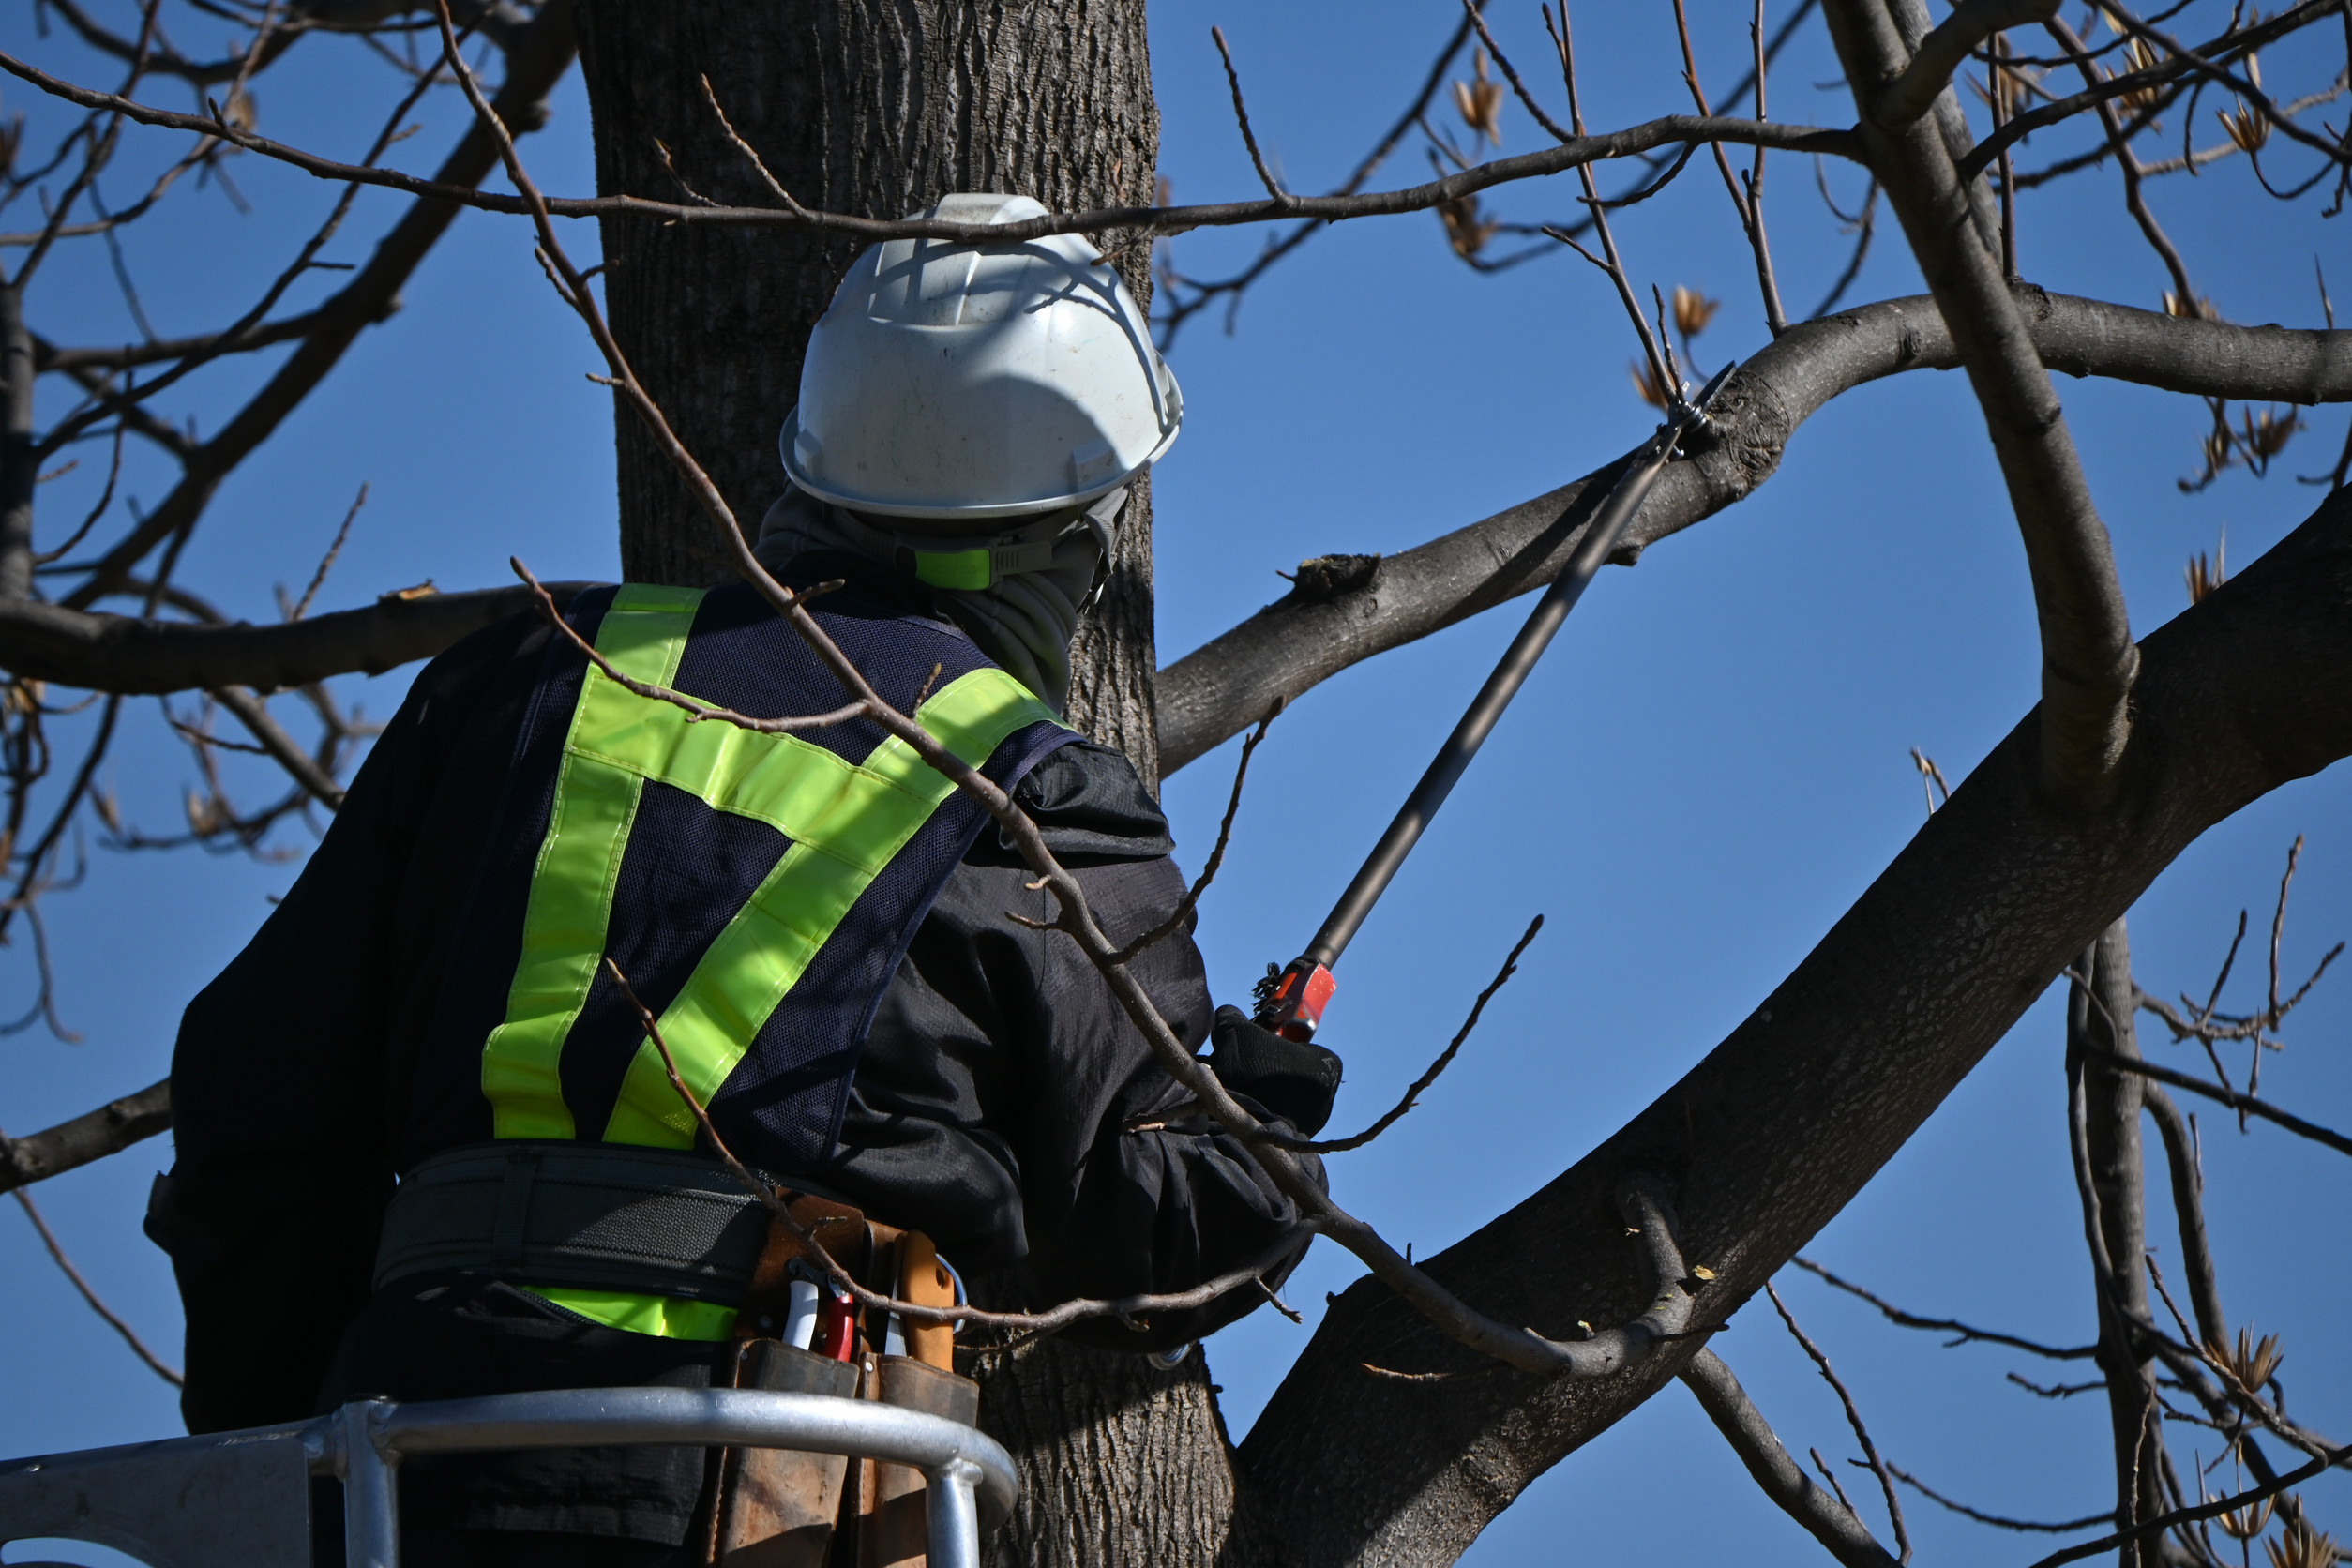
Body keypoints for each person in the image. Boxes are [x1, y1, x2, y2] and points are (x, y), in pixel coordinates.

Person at [145, 193, 1341, 1567]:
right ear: (1064, 540)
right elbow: (1150, 1228)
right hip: (772, 1483)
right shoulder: (1033, 797)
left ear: (813, 473)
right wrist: (1264, 1118)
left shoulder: (532, 679)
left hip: (410, 1453)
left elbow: (256, 1099)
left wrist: (277, 1441)